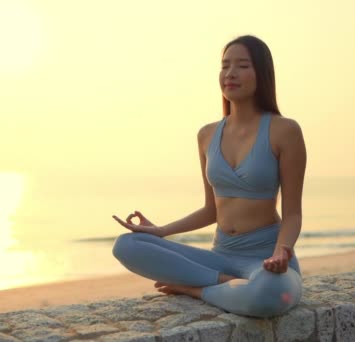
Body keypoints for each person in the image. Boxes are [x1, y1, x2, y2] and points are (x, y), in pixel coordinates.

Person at [111, 34, 307, 318]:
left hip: (264, 260)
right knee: (127, 245)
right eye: (225, 65)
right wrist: (161, 231)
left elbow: (292, 215)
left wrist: (282, 252)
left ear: (261, 74)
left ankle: (195, 289)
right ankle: (226, 284)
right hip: (218, 257)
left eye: (242, 65)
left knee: (271, 294)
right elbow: (211, 210)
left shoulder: (284, 131)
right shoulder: (207, 135)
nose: (230, 73)